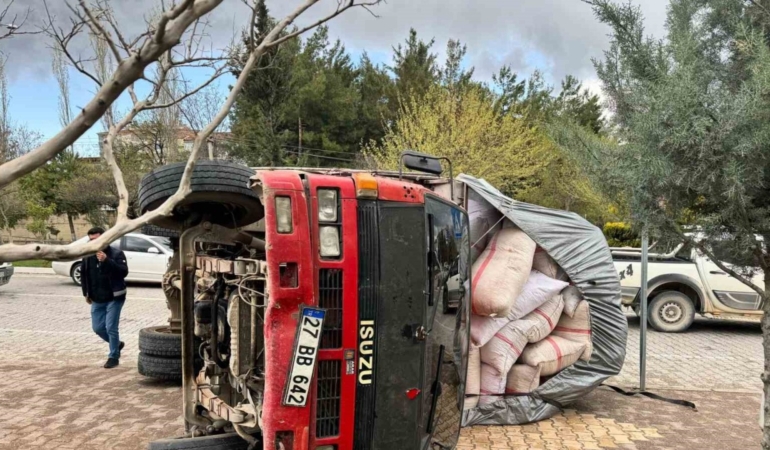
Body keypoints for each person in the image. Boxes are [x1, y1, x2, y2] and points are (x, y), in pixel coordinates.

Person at [81, 227, 129, 368]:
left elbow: (123, 272)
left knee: (111, 328)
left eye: (97, 239)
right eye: (91, 240)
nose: (93, 242)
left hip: (114, 297)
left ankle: (113, 356)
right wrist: (86, 293)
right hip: (97, 298)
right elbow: (85, 275)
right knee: (98, 328)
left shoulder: (116, 253)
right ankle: (118, 344)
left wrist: (106, 260)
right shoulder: (87, 255)